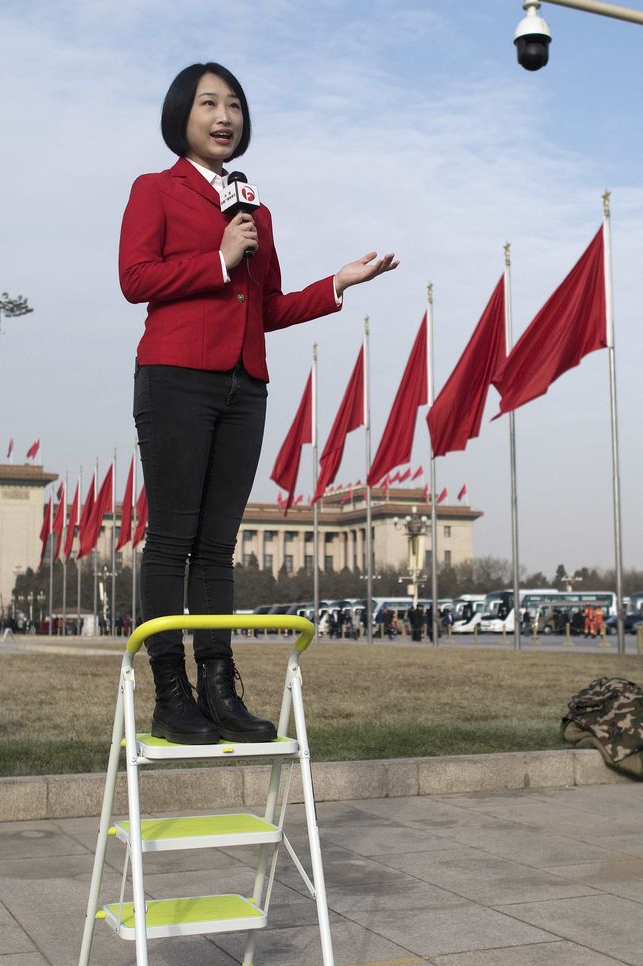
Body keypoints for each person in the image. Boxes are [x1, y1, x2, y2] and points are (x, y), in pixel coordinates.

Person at [121, 62, 398, 744]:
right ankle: (171, 694)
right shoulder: (155, 189)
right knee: (173, 539)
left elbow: (266, 307)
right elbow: (135, 279)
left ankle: (220, 690)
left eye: (235, 105)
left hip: (244, 385)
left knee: (217, 547)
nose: (224, 116)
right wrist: (216, 259)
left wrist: (338, 283)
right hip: (175, 375)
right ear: (181, 115)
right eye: (209, 103)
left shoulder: (255, 210)